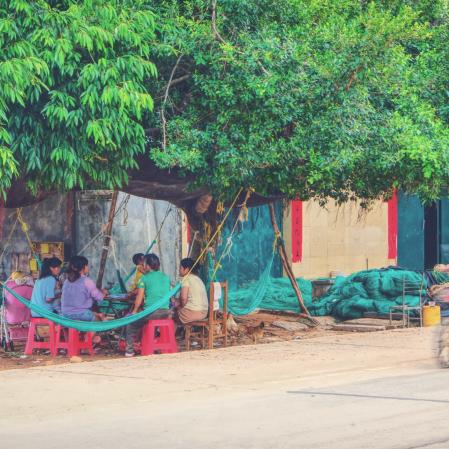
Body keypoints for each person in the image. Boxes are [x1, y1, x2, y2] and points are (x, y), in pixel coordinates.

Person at [125, 253, 171, 357]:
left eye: (144, 264)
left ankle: (129, 351)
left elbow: (139, 299)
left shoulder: (144, 278)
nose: (142, 266)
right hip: (166, 312)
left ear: (147, 265)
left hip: (151, 312)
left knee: (131, 325)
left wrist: (134, 312)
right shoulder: (165, 277)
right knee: (147, 323)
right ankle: (149, 345)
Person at [61, 256, 107, 321]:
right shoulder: (87, 281)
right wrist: (104, 293)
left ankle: (90, 328)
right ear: (83, 267)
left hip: (65, 315)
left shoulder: (66, 281)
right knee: (100, 319)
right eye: (87, 265)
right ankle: (93, 331)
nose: (88, 267)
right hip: (81, 314)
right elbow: (99, 297)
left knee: (97, 314)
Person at [173, 258, 208, 324]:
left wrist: (179, 306)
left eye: (180, 268)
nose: (179, 270)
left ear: (186, 269)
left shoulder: (186, 279)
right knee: (177, 310)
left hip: (193, 313)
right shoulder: (198, 279)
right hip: (204, 312)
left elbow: (183, 299)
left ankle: (169, 334)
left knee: (171, 314)